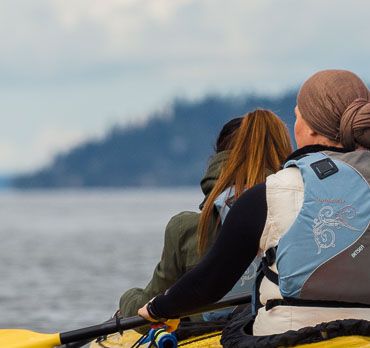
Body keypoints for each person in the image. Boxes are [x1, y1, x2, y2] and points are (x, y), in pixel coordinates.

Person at [139, 70, 370, 348]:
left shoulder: (267, 197)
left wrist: (158, 307)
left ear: (313, 130)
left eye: (297, 118)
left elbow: (208, 285)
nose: (295, 127)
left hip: (284, 344)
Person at [118, 110, 293, 321]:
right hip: (281, 325)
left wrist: (128, 299)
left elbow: (147, 315)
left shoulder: (186, 228)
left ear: (217, 161)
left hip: (206, 333)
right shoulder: (300, 213)